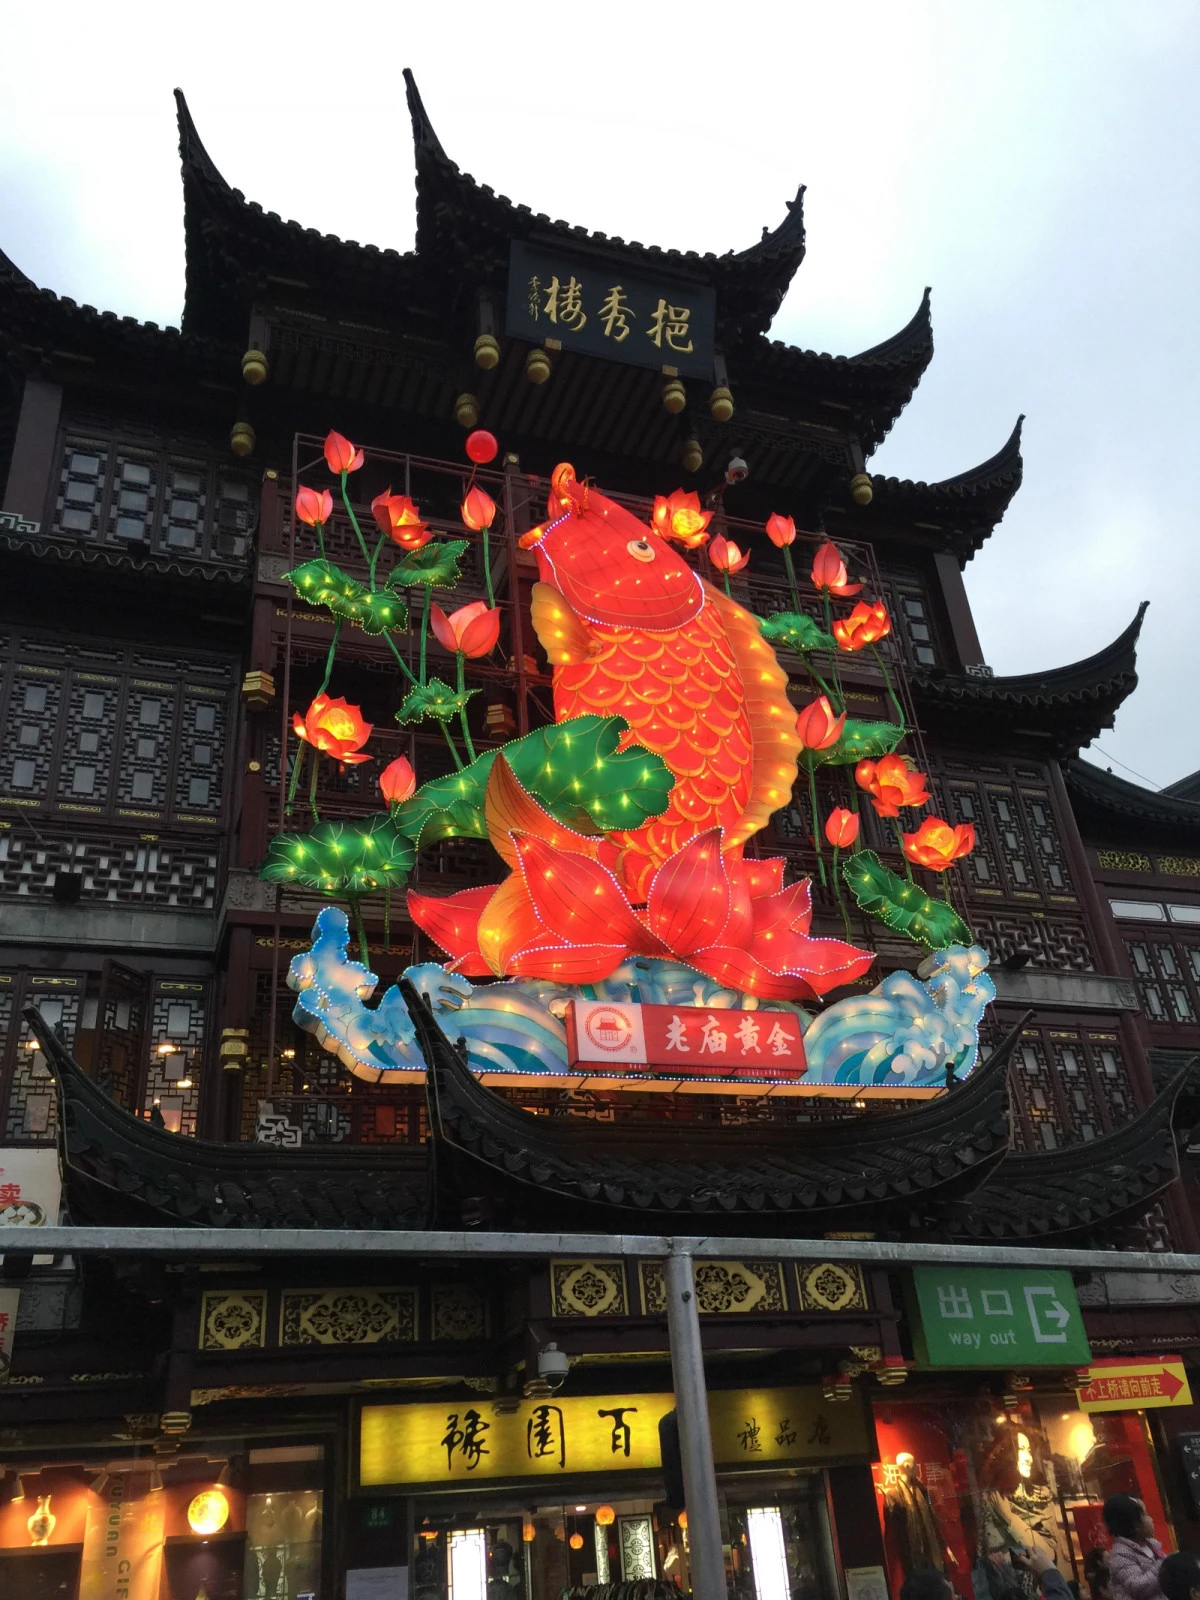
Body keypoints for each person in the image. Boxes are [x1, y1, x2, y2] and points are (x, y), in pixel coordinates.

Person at [1103, 1494, 1165, 1600]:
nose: (1151, 1519)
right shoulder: (1121, 1556)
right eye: (1145, 1514)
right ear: (1134, 1524)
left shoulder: (1152, 1546)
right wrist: (1164, 1564)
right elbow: (1140, 1588)